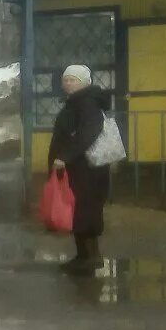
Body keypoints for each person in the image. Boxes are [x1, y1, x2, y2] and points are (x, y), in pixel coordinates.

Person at [48, 64, 111, 273]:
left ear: (84, 82)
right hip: (79, 167)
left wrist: (65, 156)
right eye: (66, 79)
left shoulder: (87, 103)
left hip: (88, 168)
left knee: (86, 210)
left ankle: (92, 257)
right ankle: (82, 256)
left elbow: (88, 133)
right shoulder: (76, 102)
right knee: (79, 211)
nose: (68, 83)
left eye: (73, 79)